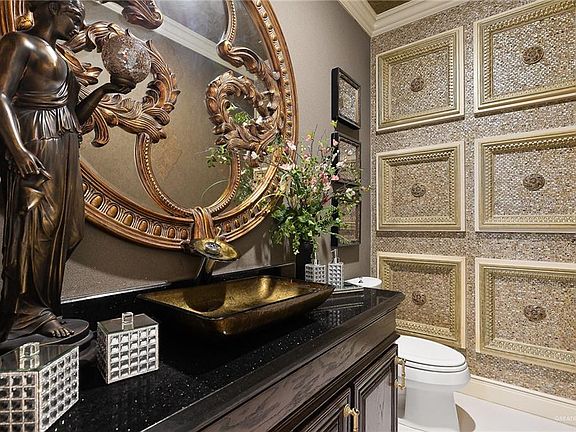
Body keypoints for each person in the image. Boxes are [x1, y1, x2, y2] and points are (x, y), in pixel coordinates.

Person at [0, 0, 134, 342]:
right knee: (36, 228)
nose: (79, 27)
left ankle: (43, 307)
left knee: (69, 228)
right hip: (36, 142)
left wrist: (104, 90)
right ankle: (26, 315)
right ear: (52, 8)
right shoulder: (19, 43)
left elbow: (74, 116)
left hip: (65, 143)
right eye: (74, 17)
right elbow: (1, 97)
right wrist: (18, 150)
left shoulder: (61, 59)